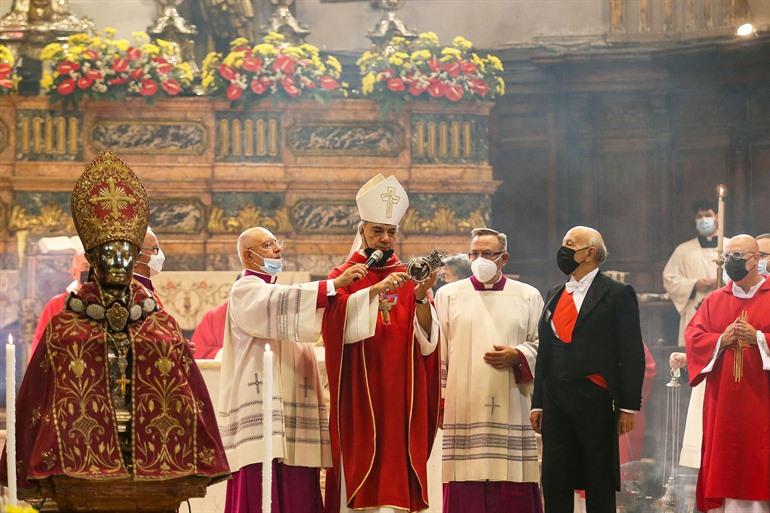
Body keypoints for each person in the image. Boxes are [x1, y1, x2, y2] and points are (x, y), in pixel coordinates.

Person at [0, 150, 228, 498]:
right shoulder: (66, 324)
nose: (119, 263)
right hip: (78, 474)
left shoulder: (158, 320)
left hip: (155, 473)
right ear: (92, 259)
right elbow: (38, 397)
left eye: (127, 254)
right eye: (109, 254)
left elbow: (187, 394)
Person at [217, 227, 366, 513]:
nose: (278, 249)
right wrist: (332, 286)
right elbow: (279, 302)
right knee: (262, 482)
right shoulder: (245, 289)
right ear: (249, 256)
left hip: (293, 406)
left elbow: (311, 310)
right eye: (268, 244)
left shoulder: (280, 293)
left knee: (299, 481)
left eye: (277, 243)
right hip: (261, 406)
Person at [322, 174, 441, 513]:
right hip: (360, 387)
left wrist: (420, 299)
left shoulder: (409, 275)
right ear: (362, 232)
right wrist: (372, 292)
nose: (385, 238)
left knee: (396, 460)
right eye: (377, 231)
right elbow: (333, 326)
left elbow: (428, 343)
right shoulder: (345, 274)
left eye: (391, 232)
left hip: (401, 390)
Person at [530, 226, 645, 513]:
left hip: (595, 395)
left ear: (590, 253)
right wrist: (538, 403)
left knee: (598, 475)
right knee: (555, 475)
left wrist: (629, 406)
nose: (563, 249)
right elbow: (545, 351)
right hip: (555, 396)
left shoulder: (618, 294)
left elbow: (631, 351)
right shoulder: (555, 294)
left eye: (570, 244)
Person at [435, 227, 543, 513]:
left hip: (512, 400)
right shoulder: (448, 295)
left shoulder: (528, 296)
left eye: (487, 254)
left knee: (511, 480)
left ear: (503, 258)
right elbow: (439, 352)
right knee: (465, 479)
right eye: (474, 253)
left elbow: (543, 345)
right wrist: (442, 399)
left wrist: (518, 355)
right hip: (464, 405)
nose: (479, 259)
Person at [685, 234, 770, 513]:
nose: (731, 263)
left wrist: (758, 338)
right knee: (724, 461)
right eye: (728, 258)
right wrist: (721, 339)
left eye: (738, 257)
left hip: (762, 401)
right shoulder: (714, 300)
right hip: (723, 404)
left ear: (756, 259)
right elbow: (694, 337)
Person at [663, 199, 721, 346]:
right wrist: (694, 284)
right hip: (695, 310)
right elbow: (669, 278)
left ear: (717, 216)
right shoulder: (683, 251)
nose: (703, 220)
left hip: (723, 309)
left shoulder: (730, 246)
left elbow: (745, 274)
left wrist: (722, 280)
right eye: (699, 217)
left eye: (707, 215)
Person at [30, 236, 89, 358]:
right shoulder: (56, 304)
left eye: (95, 268)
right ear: (73, 273)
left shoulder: (108, 299)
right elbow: (39, 346)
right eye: (86, 267)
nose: (92, 272)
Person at [133, 226, 164, 292]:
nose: (159, 254)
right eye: (154, 249)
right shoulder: (137, 290)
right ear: (137, 254)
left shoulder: (145, 286)